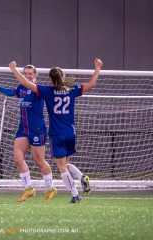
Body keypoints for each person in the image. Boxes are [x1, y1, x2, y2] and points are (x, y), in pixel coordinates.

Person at [9, 59, 103, 203]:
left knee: (61, 168)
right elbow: (92, 84)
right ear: (63, 77)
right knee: (65, 164)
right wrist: (97, 68)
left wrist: (14, 70)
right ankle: (81, 177)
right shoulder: (72, 89)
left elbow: (27, 83)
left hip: (57, 133)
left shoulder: (47, 91)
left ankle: (75, 195)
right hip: (71, 132)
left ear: (50, 79)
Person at [0, 64, 57, 202]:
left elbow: (24, 83)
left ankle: (51, 188)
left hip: (37, 128)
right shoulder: (21, 88)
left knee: (39, 160)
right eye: (25, 73)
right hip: (23, 128)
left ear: (35, 75)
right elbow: (12, 92)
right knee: (17, 158)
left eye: (30, 73)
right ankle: (29, 189)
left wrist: (13, 69)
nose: (28, 75)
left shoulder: (38, 89)